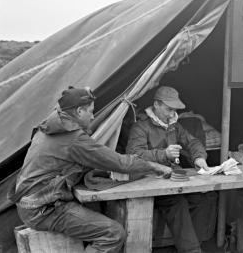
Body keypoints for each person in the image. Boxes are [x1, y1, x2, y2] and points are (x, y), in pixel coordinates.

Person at [10, 86, 171, 253]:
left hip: (30, 203)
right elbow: (120, 163)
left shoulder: (51, 124)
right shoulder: (72, 138)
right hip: (43, 210)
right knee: (113, 233)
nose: (93, 116)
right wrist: (154, 166)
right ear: (79, 111)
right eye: (91, 111)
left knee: (97, 210)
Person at [126, 86, 214, 253]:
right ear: (156, 105)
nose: (171, 113)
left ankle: (190, 244)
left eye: (174, 110)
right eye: (168, 109)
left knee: (202, 198)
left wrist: (199, 157)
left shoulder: (174, 125)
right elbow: (133, 155)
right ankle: (192, 250)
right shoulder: (140, 127)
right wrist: (163, 154)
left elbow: (193, 142)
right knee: (176, 202)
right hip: (149, 180)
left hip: (173, 178)